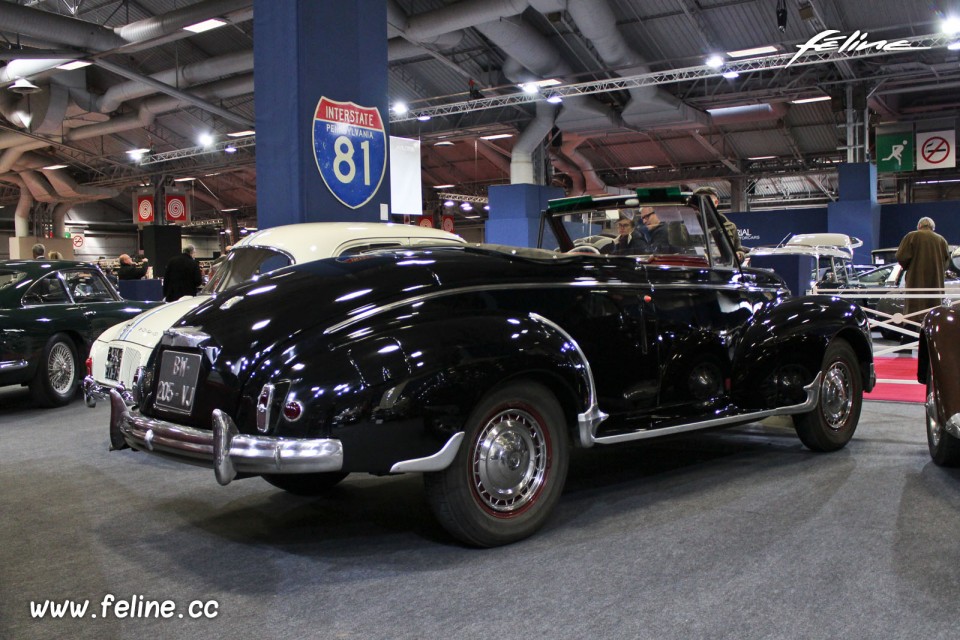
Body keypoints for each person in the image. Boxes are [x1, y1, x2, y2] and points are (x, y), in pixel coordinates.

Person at [896, 216, 950, 320]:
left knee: (914, 314)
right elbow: (946, 261)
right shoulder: (941, 240)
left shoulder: (911, 236)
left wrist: (909, 267)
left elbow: (900, 256)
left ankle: (914, 333)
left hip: (915, 282)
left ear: (919, 226)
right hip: (935, 283)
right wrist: (938, 270)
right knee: (934, 312)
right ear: (933, 227)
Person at [694, 186, 745, 263]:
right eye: (699, 202)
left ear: (716, 202)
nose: (702, 205)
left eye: (706, 201)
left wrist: (739, 255)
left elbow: (738, 249)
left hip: (724, 270)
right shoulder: (686, 224)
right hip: (697, 270)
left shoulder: (729, 226)